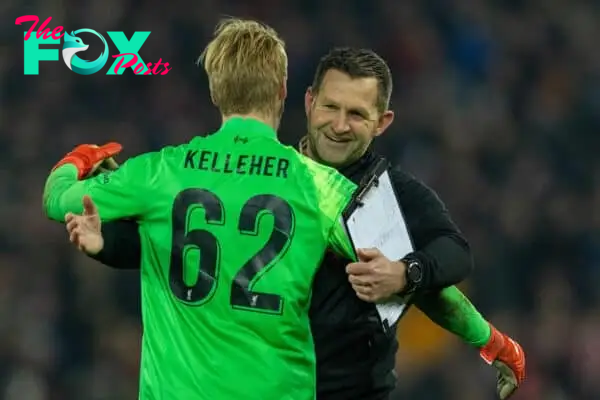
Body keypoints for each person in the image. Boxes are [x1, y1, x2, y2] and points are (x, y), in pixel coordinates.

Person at [65, 48, 526, 399]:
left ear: (382, 122)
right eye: (331, 107)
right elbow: (185, 251)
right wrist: (108, 243)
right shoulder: (271, 176)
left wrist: (407, 273)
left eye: (357, 114)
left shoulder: (393, 192)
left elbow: (453, 254)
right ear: (307, 103)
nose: (340, 125)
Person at [43, 19, 363, 400]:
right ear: (282, 90)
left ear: (215, 91)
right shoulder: (321, 186)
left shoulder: (162, 172)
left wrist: (81, 157)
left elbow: (55, 198)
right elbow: (405, 266)